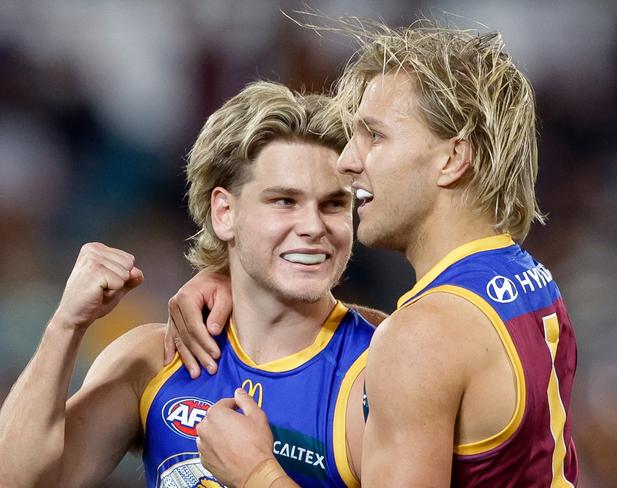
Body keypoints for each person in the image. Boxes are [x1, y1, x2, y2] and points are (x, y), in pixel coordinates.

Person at [169, 21, 579, 487]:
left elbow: (422, 346)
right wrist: (240, 281)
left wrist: (255, 472)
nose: (347, 161)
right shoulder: (529, 280)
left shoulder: (421, 335)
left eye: (375, 136)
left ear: (452, 159)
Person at [0, 81, 382, 488]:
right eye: (284, 201)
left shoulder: (378, 369)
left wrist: (257, 474)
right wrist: (65, 325)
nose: (312, 227)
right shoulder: (151, 360)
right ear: (224, 212)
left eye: (334, 204)